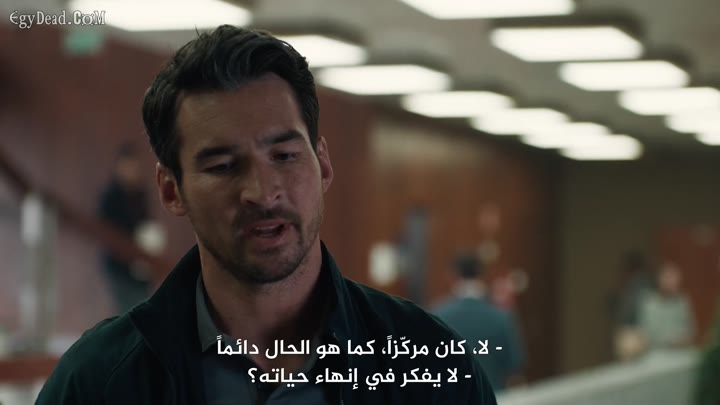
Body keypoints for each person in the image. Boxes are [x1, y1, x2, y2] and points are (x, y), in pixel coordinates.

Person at [36, 26, 496, 404]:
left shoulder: (433, 365)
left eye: (285, 155)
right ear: (172, 190)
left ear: (323, 165)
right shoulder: (97, 382)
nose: (261, 192)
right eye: (222, 166)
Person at [433, 252, 525, 393]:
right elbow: (514, 369)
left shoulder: (437, 317)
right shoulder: (501, 317)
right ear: (483, 275)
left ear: (453, 276)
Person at [97, 143, 151, 314]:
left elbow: (146, 225)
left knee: (141, 306)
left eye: (134, 167)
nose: (131, 171)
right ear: (119, 168)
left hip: (140, 264)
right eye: (128, 167)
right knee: (129, 309)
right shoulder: (110, 197)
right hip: (118, 264)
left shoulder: (140, 194)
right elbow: (104, 231)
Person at [637, 262, 695, 352]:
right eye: (669, 278)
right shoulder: (649, 304)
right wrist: (673, 341)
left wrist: (684, 339)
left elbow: (691, 331)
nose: (674, 282)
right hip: (656, 353)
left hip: (682, 352)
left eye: (676, 278)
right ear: (659, 279)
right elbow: (645, 336)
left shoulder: (682, 302)